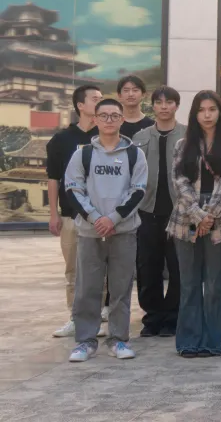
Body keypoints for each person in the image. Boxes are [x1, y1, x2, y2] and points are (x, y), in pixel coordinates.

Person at [65, 98, 149, 362]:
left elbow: (138, 191)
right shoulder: (83, 154)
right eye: (104, 115)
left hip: (123, 232)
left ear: (122, 119)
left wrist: (113, 218)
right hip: (90, 233)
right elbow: (73, 189)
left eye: (115, 115)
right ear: (95, 119)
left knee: (121, 289)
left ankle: (118, 339)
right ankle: (85, 341)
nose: (109, 120)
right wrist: (95, 218)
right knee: (87, 289)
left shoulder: (135, 154)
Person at [167, 91, 221, 358]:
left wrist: (209, 217)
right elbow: (179, 182)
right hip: (186, 218)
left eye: (212, 109)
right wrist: (199, 215)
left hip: (219, 220)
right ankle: (188, 341)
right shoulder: (182, 144)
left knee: (214, 285)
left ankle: (212, 341)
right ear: (194, 114)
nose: (207, 115)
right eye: (201, 110)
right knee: (188, 284)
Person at [46, 84, 102, 338]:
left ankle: (98, 317)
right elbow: (53, 178)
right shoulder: (61, 140)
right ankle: (75, 317)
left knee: (100, 270)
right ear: (80, 105)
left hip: (101, 216)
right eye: (95, 99)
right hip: (71, 215)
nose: (99, 102)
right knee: (73, 270)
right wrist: (54, 214)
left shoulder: (106, 136)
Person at [132, 86, 185, 338]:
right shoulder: (140, 137)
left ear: (177, 106)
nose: (164, 107)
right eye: (159, 102)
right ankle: (152, 317)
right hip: (147, 211)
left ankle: (172, 318)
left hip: (180, 212)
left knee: (178, 267)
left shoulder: (188, 135)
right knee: (147, 267)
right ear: (152, 105)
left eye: (169, 102)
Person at [118, 75, 154, 140]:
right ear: (119, 95)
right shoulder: (112, 124)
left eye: (135, 90)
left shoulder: (152, 125)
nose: (130, 94)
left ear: (143, 95)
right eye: (126, 90)